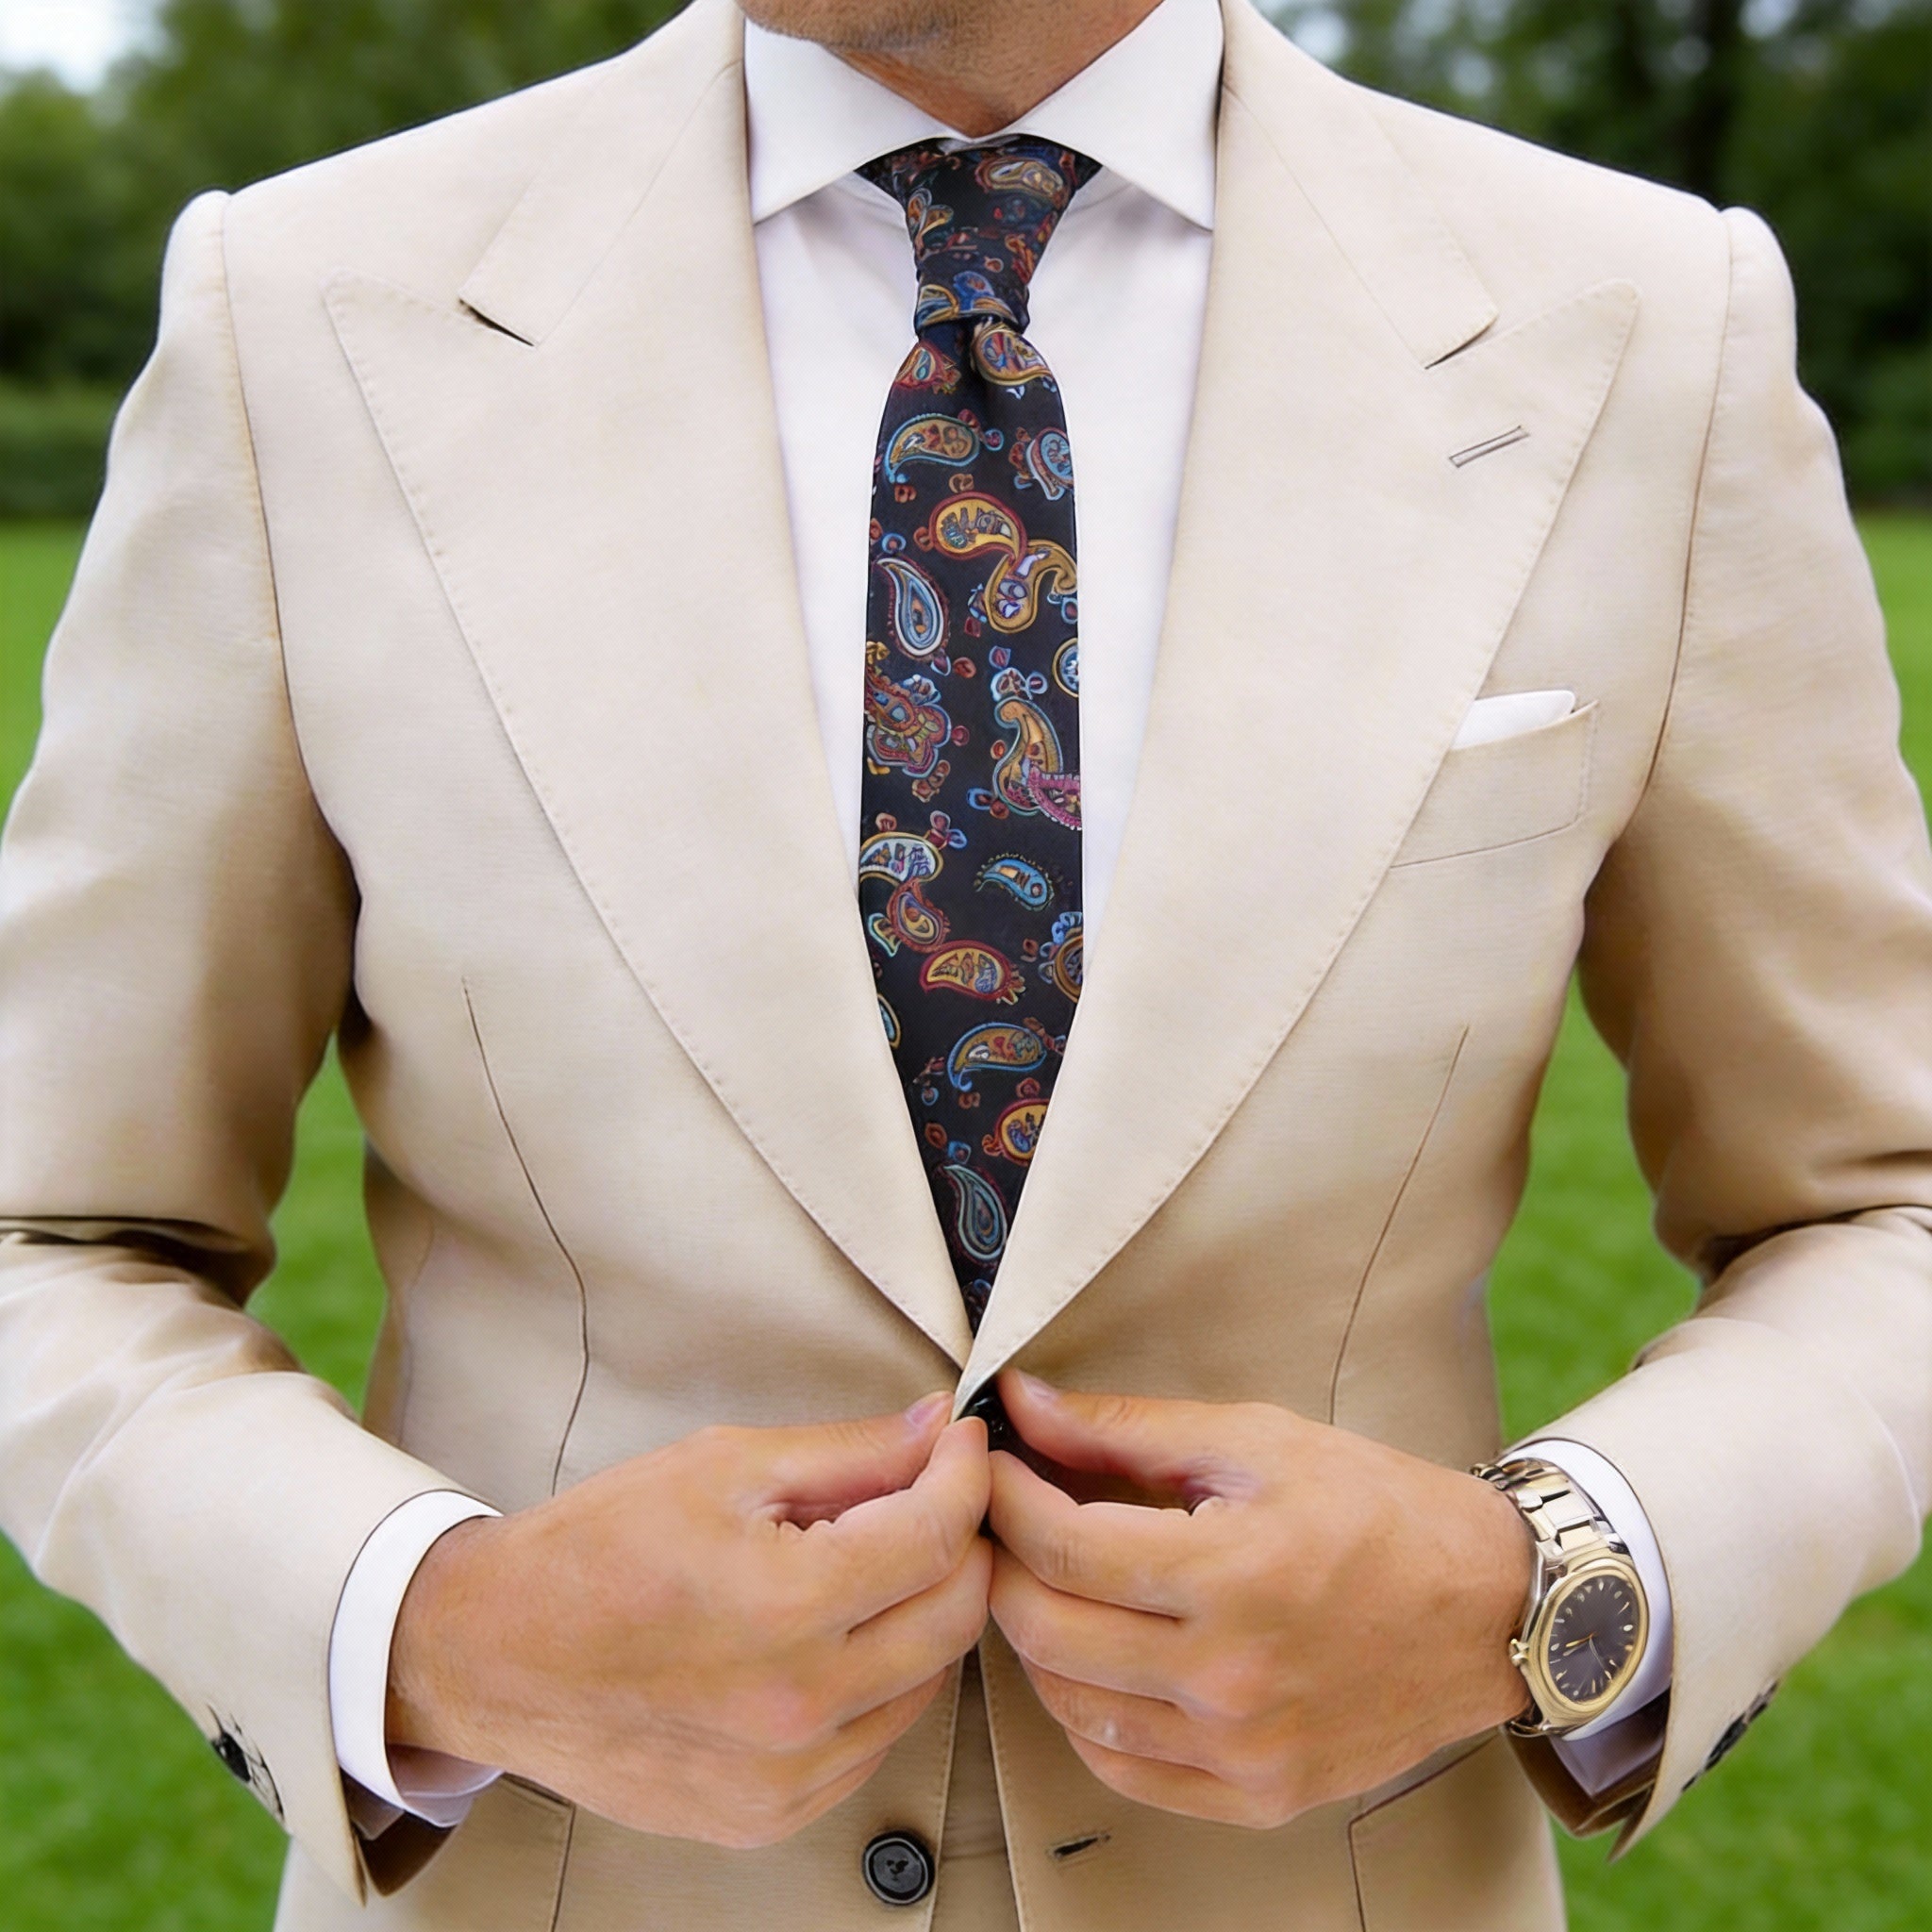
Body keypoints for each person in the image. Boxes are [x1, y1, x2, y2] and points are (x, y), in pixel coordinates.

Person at [1, 0, 1927, 1924]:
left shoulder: (1643, 321)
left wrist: (1546, 1588)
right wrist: (436, 1625)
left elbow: (1882, 1203)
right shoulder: (304, 310)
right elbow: (52, 1229)